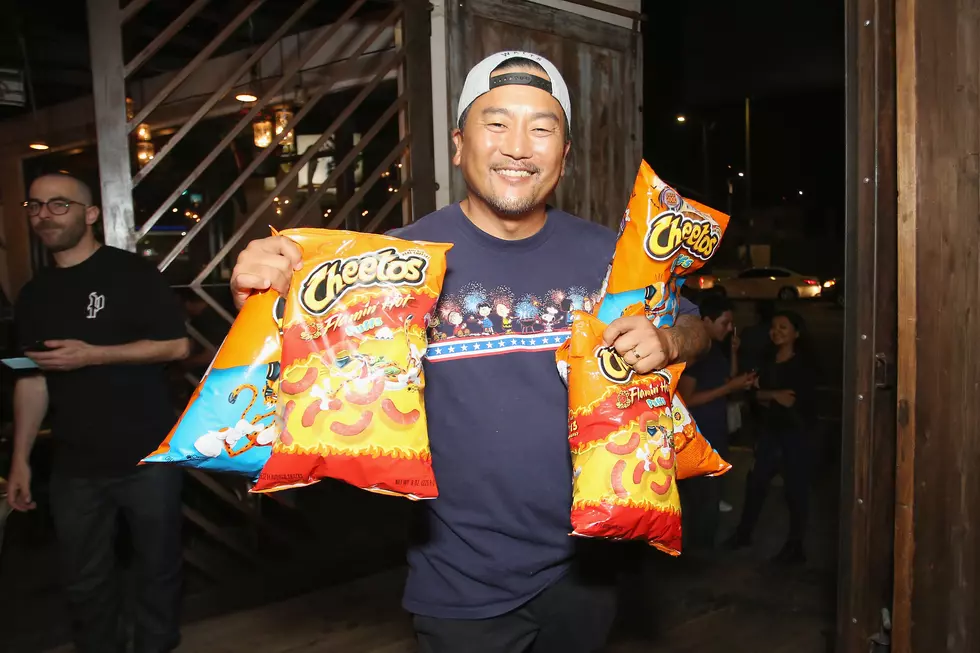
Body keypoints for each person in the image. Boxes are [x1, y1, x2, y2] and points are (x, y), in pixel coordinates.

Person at [228, 51, 710, 652]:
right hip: (460, 579)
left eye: (542, 128)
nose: (518, 146)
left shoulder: (615, 260)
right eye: (496, 123)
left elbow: (699, 328)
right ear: (459, 144)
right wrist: (261, 300)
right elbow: (289, 381)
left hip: (588, 566)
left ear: (563, 154)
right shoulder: (389, 263)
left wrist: (669, 339)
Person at [7, 172, 190, 653]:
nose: (44, 214)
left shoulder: (130, 274)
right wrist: (20, 460)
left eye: (59, 204)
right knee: (84, 580)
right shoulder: (34, 294)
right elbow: (32, 377)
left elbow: (176, 344)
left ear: (90, 215)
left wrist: (94, 354)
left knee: (158, 569)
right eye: (36, 206)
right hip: (74, 463)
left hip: (148, 454)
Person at [727, 310, 817, 565]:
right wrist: (772, 395)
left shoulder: (804, 364)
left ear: (797, 333)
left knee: (796, 490)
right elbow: (753, 393)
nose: (775, 332)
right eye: (773, 327)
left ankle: (795, 546)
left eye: (783, 328)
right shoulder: (767, 358)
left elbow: (792, 400)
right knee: (756, 483)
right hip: (770, 431)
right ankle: (743, 534)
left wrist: (768, 395)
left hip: (796, 433)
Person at [676, 294, 756, 551]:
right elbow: (686, 400)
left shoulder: (716, 350)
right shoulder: (696, 356)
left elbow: (728, 380)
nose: (729, 329)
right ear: (706, 321)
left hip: (716, 434)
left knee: (711, 498)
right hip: (698, 439)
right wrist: (728, 388)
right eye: (724, 323)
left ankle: (701, 551)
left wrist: (733, 356)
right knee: (702, 501)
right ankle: (697, 557)